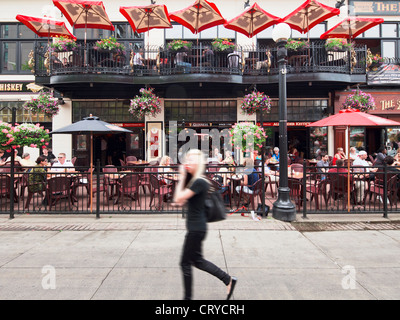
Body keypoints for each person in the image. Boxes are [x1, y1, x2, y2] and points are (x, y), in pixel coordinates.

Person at [173, 149, 237, 300]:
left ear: (198, 163)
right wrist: (184, 178)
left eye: (192, 160)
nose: (188, 162)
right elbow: (179, 201)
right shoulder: (195, 181)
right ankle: (228, 280)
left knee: (185, 264)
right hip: (196, 227)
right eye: (187, 159)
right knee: (197, 261)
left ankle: (187, 298)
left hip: (196, 228)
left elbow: (178, 199)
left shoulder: (199, 182)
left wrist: (182, 177)